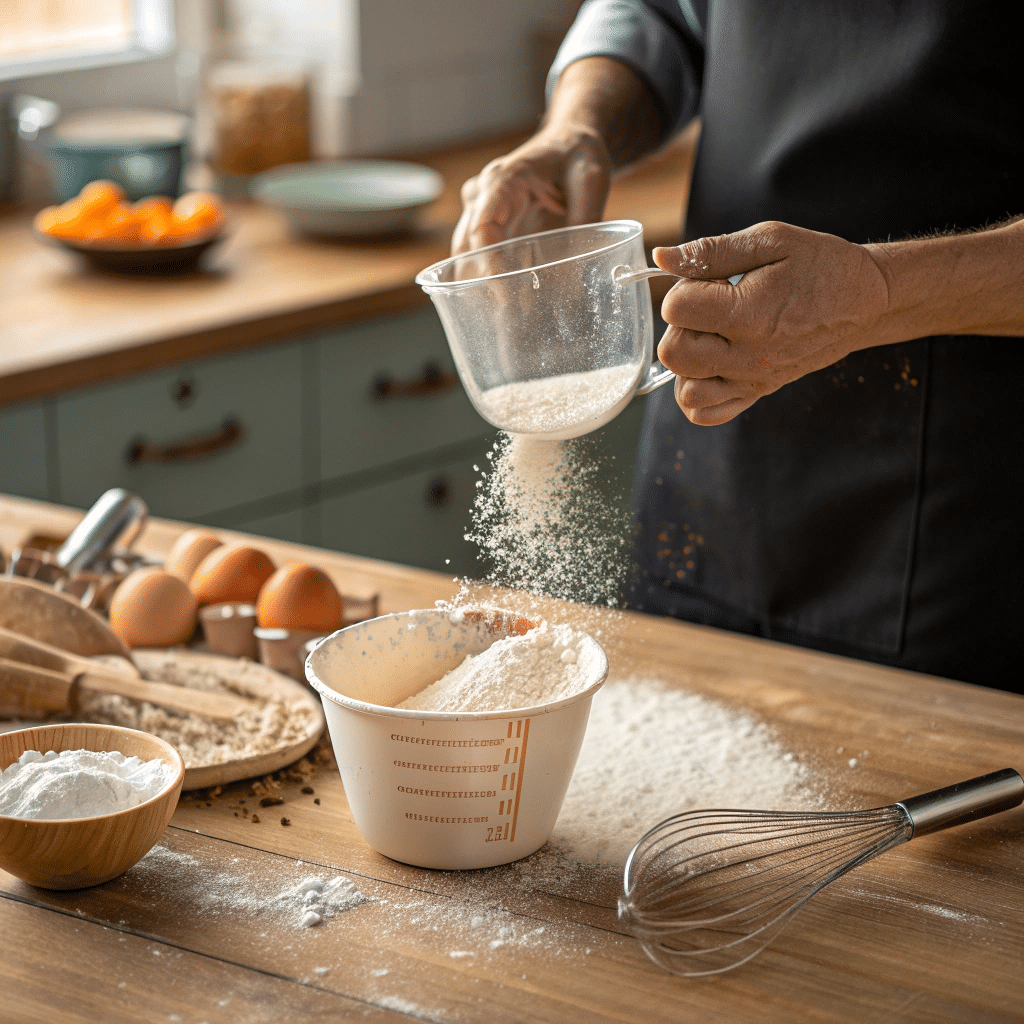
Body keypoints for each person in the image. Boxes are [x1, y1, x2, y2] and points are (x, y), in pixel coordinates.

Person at [451, 1, 1024, 692]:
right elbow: (660, 15)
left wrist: (880, 290)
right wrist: (581, 125)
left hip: (960, 524)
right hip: (708, 483)